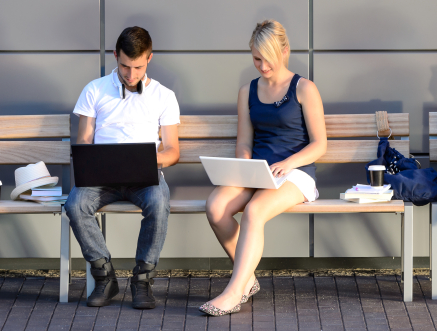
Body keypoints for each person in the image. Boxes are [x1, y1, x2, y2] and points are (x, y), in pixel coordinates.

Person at [202, 20, 327, 316]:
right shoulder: (248, 91)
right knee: (216, 206)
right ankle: (247, 279)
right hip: (260, 171)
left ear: (284, 51)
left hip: (296, 173)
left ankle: (234, 291)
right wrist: (245, 168)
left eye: (267, 58)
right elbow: (244, 142)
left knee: (255, 211)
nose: (262, 65)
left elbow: (320, 145)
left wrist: (287, 163)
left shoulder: (304, 88)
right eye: (256, 58)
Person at [65, 26, 180, 310]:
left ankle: (142, 280)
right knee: (75, 205)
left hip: (146, 177)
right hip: (101, 179)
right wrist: (93, 161)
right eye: (125, 66)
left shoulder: (164, 96)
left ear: (149, 58)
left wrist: (146, 162)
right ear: (115, 56)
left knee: (159, 202)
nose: (131, 75)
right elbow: (84, 141)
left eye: (138, 67)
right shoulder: (95, 90)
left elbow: (173, 151)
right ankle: (105, 276)